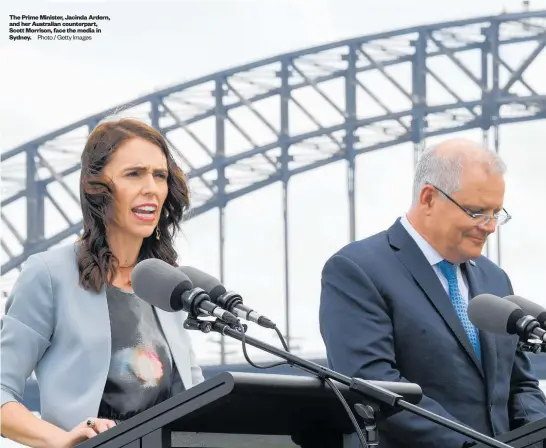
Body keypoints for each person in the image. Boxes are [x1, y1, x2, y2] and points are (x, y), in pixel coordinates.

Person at [319, 138, 546, 448]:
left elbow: (519, 385)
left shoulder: (495, 279)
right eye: (477, 212)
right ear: (428, 198)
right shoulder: (357, 270)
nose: (490, 227)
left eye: (496, 213)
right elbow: (374, 385)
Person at [1, 118, 204, 448]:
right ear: (96, 187)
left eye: (160, 175)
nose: (151, 187)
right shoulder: (50, 274)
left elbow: (195, 396)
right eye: (134, 173)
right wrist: (63, 440)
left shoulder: (167, 284)